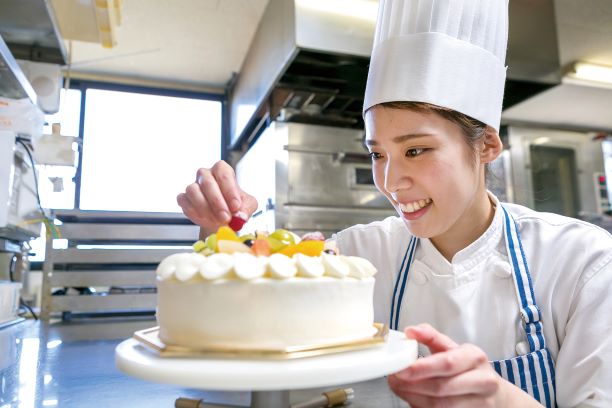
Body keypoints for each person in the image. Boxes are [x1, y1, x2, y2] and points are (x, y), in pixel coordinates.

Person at [177, 0, 612, 406]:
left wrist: (501, 398)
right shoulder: (357, 256)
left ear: (487, 146)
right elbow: (250, 320)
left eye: (416, 150)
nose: (389, 181)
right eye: (377, 153)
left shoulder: (581, 262)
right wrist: (221, 233)